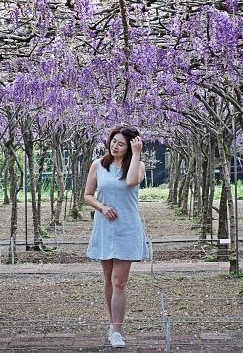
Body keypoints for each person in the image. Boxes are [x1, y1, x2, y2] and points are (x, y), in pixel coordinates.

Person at [83, 125, 148, 348]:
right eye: (113, 141)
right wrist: (101, 207)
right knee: (109, 279)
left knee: (120, 281)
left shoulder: (138, 166)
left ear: (130, 146)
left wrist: (137, 153)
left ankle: (117, 331)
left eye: (121, 143)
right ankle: (113, 325)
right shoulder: (98, 165)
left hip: (127, 227)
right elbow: (88, 195)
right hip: (104, 225)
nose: (115, 146)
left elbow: (131, 182)